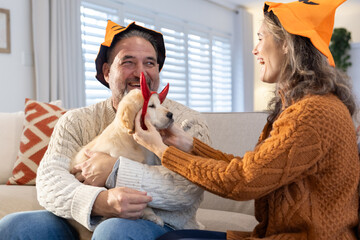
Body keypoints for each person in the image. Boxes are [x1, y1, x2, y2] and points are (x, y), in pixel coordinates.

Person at [133, 0, 360, 239]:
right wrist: (187, 143)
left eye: (261, 38)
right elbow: (251, 169)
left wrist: (161, 150)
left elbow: (242, 180)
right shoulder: (306, 106)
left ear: (286, 44)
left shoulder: (313, 113)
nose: (255, 49)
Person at [0, 21, 210, 240]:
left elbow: (188, 189)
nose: (141, 73)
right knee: (15, 226)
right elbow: (49, 181)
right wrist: (102, 202)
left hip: (162, 224)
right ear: (107, 72)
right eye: (128, 62)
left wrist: (115, 171)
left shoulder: (187, 122)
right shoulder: (76, 120)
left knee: (112, 231)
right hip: (81, 220)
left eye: (150, 63)